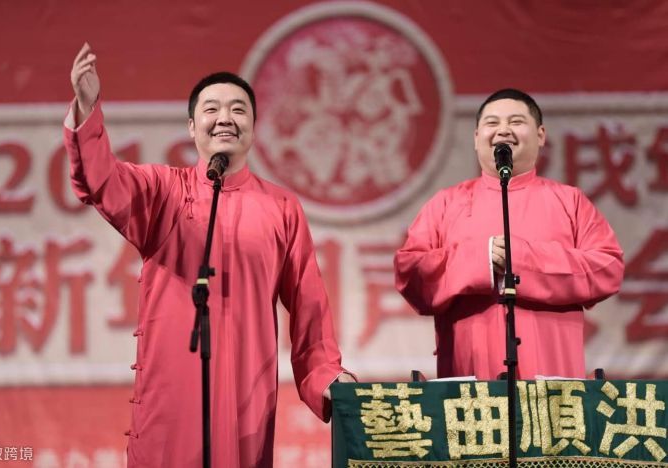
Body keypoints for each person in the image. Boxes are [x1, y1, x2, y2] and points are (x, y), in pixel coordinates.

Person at [65, 43, 354, 467]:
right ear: (191, 126)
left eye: (238, 110)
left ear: (253, 126)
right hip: (172, 395)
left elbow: (309, 307)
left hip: (246, 394)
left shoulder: (281, 207)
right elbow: (101, 180)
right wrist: (87, 109)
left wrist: (328, 376)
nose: (225, 118)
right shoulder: (163, 191)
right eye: (211, 109)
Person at [394, 88, 624, 380]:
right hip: (469, 376)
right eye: (492, 123)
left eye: (516, 121)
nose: (503, 130)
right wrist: (479, 260)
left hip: (553, 376)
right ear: (476, 138)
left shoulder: (570, 201)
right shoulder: (445, 203)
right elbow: (410, 273)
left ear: (540, 135)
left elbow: (608, 267)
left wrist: (525, 259)